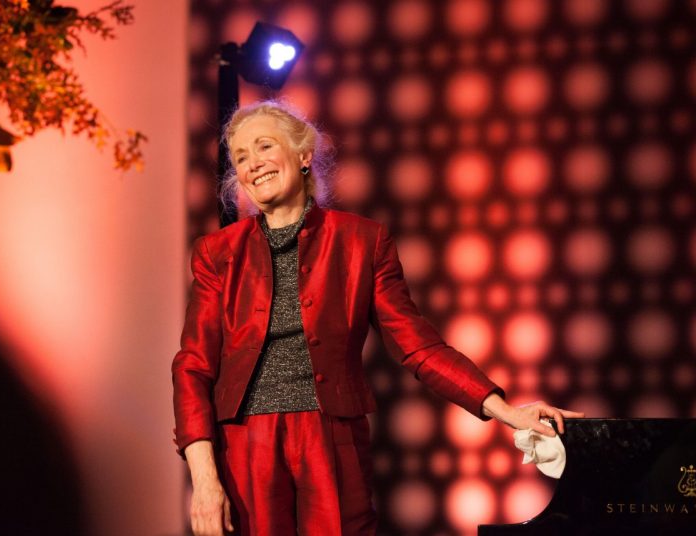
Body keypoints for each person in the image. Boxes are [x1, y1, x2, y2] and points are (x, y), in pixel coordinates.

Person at [172, 100, 583, 536]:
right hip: (246, 444)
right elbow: (193, 366)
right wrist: (205, 481)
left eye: (264, 146)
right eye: (240, 157)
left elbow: (417, 344)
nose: (252, 164)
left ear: (303, 155)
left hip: (332, 439)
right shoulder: (217, 254)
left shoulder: (362, 241)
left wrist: (506, 411)